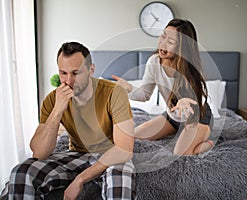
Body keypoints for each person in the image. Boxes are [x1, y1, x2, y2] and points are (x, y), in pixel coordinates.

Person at [0, 42, 135, 200]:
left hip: (110, 155)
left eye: (76, 73)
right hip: (76, 155)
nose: (69, 80)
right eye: (63, 73)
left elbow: (124, 150)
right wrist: (58, 110)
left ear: (91, 69)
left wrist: (80, 180)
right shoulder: (53, 99)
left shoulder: (114, 93)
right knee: (21, 172)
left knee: (120, 176)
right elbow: (39, 152)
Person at [113, 18, 213, 155]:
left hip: (196, 117)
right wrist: (128, 88)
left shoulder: (191, 68)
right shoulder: (154, 62)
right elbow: (144, 95)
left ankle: (207, 144)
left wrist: (186, 100)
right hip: (172, 117)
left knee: (180, 154)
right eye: (163, 36)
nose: (163, 43)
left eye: (170, 42)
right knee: (132, 136)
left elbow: (200, 100)